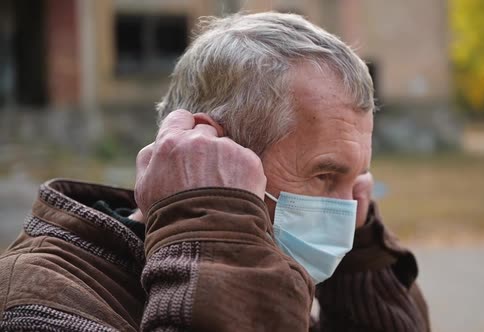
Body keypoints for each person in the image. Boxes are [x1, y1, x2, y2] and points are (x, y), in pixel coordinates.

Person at [0, 12, 429, 331]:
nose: (346, 212)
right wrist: (215, 224)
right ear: (206, 151)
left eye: (354, 180)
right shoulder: (38, 300)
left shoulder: (266, 277)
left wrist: (362, 266)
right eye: (323, 175)